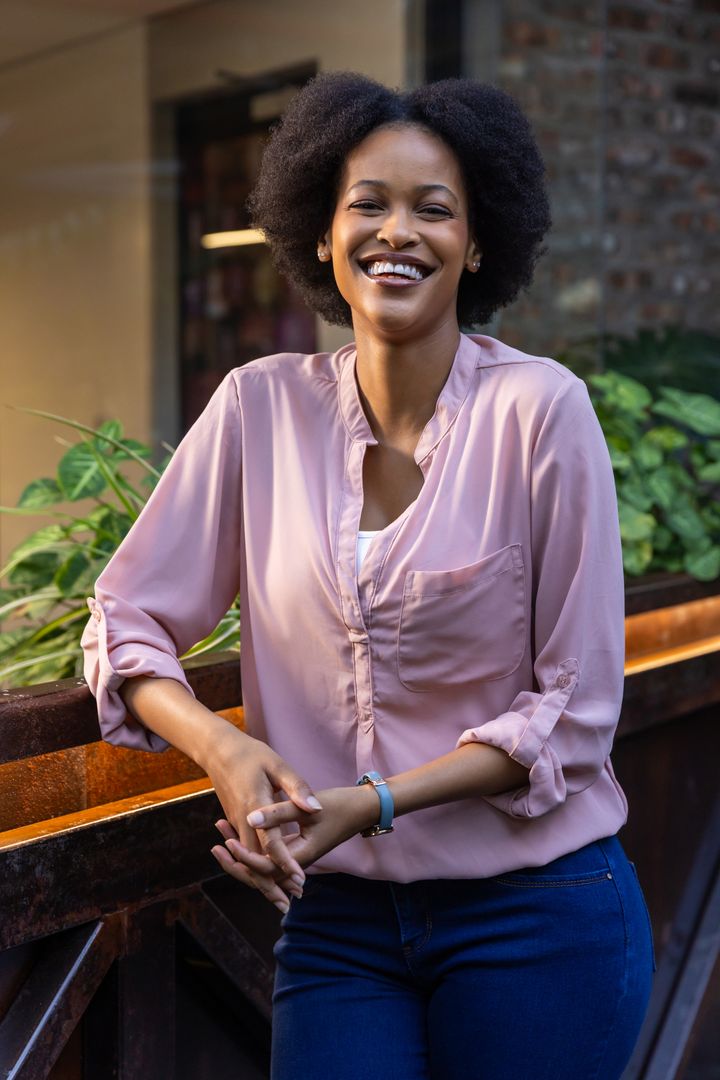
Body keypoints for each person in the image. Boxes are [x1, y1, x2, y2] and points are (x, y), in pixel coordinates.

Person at [82, 71, 655, 1080]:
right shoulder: (258, 410)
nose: (398, 232)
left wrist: (375, 800)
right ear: (320, 231)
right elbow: (126, 616)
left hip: (537, 914)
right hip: (337, 920)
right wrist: (219, 747)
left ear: (477, 245)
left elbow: (574, 709)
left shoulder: (540, 412)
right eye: (368, 205)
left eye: (434, 209)